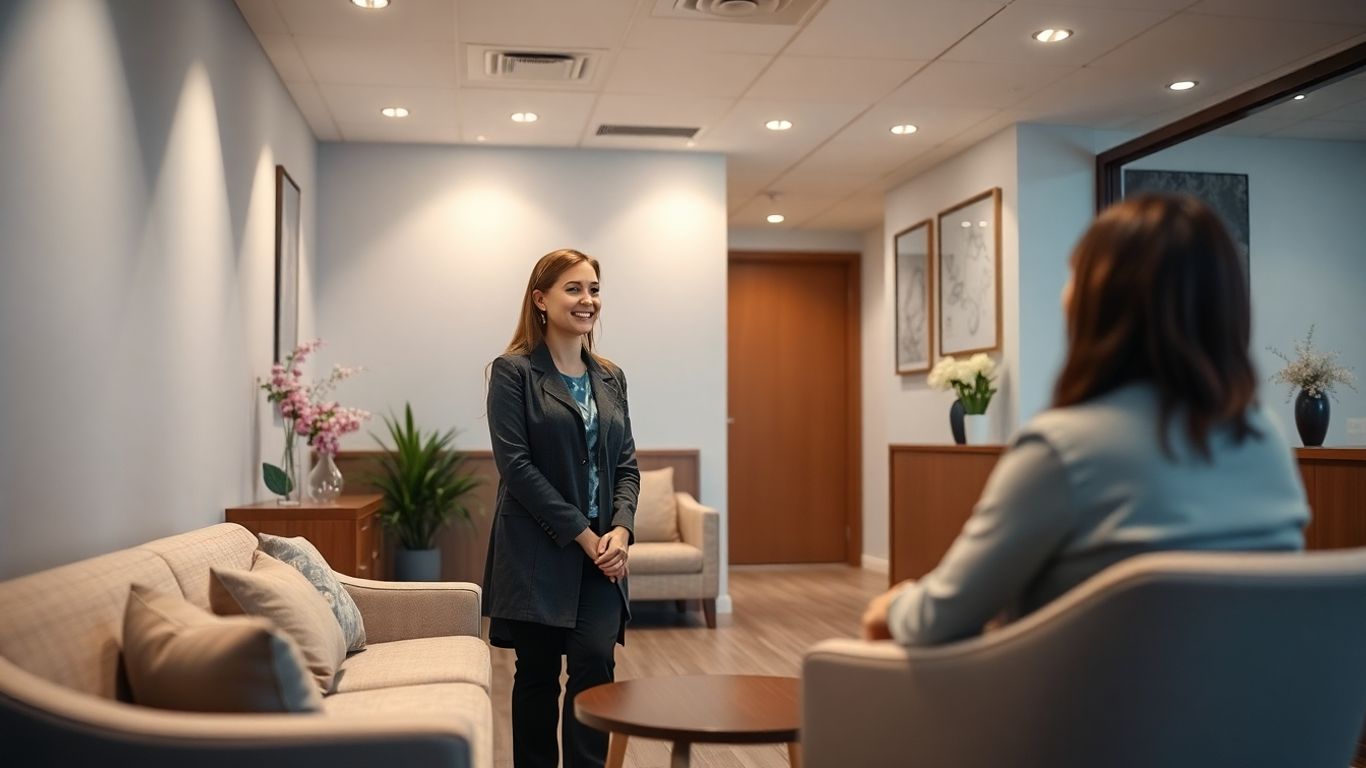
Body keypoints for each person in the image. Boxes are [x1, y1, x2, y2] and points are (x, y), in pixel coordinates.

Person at [863, 193, 1310, 647]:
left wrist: (895, 604)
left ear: (1101, 301)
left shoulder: (1063, 451)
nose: (1064, 293)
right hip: (1257, 713)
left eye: (1073, 275)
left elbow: (940, 618)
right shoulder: (1264, 438)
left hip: (1091, 715)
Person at [484, 248, 640, 768]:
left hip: (602, 554)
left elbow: (626, 466)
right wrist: (583, 534)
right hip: (536, 551)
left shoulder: (612, 377)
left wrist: (620, 530)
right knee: (536, 676)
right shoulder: (513, 373)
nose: (587, 300)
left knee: (595, 664)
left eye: (593, 289)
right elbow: (517, 468)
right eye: (574, 289)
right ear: (541, 300)